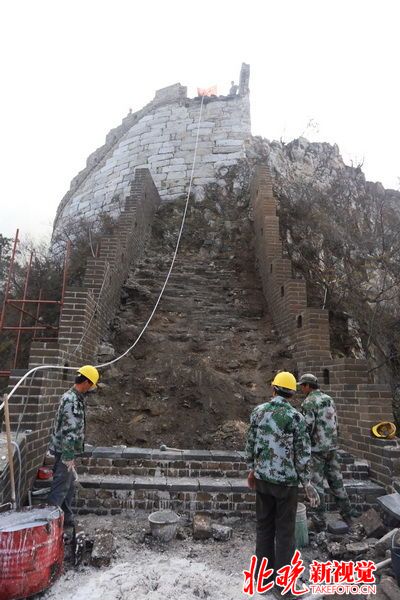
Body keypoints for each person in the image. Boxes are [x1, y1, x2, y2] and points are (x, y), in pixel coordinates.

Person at [245, 371, 319, 592]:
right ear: (292, 394)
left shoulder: (258, 412)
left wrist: (252, 470)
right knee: (285, 532)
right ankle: (283, 584)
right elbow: (303, 454)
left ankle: (262, 578)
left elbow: (250, 444)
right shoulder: (296, 417)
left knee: (264, 526)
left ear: (273, 388)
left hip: (262, 480)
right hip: (286, 484)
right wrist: (306, 482)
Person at [298, 372, 358, 530]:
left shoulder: (309, 402)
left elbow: (307, 428)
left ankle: (319, 520)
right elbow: (336, 423)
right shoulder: (329, 399)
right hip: (332, 447)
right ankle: (347, 514)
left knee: (317, 485)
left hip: (317, 450)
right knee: (336, 481)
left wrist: (303, 448)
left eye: (302, 386)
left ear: (308, 386)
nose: (301, 389)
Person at [47, 365, 99, 527]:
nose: (90, 389)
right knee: (61, 486)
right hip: (64, 451)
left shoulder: (72, 397)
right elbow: (69, 430)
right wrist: (68, 457)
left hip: (65, 450)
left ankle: (66, 517)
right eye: (90, 385)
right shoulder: (72, 401)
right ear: (86, 382)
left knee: (67, 487)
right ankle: (50, 522)